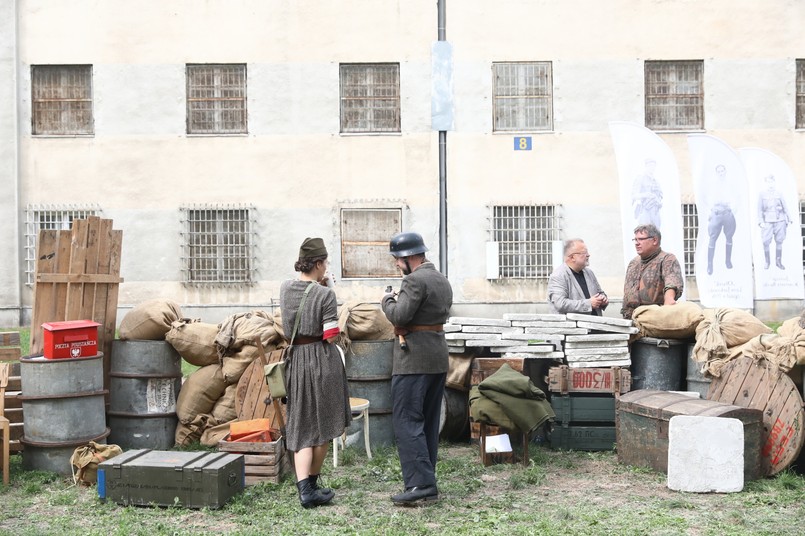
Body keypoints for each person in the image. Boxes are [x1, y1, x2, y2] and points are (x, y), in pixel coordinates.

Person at [381, 232, 453, 507]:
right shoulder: (441, 279)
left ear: (410, 257)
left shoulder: (413, 280)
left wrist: (387, 300)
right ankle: (427, 481)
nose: (398, 266)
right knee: (428, 422)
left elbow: (400, 315)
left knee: (407, 421)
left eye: (398, 261)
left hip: (413, 362)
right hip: (437, 358)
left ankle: (420, 484)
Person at [280, 237, 351, 509]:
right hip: (322, 361)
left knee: (300, 423)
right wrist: (330, 291)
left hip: (296, 360)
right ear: (319, 264)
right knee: (323, 426)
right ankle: (311, 485)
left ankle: (305, 490)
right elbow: (331, 335)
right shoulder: (325, 295)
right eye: (326, 263)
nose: (327, 267)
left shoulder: (286, 289)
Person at [621, 224, 684, 320]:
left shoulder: (667, 259)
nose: (637, 243)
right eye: (635, 239)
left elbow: (672, 283)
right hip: (630, 319)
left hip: (654, 318)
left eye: (641, 239)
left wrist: (669, 299)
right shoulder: (633, 263)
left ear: (655, 240)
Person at [547, 238, 608, 315]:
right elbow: (560, 303)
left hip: (595, 325)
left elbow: (600, 293)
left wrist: (603, 299)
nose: (588, 255)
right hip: (572, 326)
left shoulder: (589, 273)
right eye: (584, 252)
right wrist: (588, 304)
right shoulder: (558, 276)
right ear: (572, 257)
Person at [705, 164, 738, 275]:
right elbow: (708, 199)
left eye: (722, 171)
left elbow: (735, 197)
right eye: (718, 171)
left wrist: (732, 208)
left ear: (725, 172)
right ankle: (710, 264)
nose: (721, 173)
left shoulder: (730, 184)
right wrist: (712, 209)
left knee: (729, 237)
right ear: (716, 173)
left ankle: (728, 261)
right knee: (712, 237)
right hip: (716, 212)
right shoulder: (712, 185)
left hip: (727, 212)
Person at [757, 174, 792, 270]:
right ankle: (767, 262)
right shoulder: (762, 194)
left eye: (772, 181)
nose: (770, 184)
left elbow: (785, 206)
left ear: (774, 182)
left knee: (780, 241)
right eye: (768, 182)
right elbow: (759, 209)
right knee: (765, 241)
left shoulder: (779, 193)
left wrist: (789, 218)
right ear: (765, 183)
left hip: (780, 220)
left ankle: (778, 262)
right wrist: (761, 221)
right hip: (767, 220)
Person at [631, 158, 663, 230]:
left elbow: (661, 196)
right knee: (645, 232)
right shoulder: (640, 178)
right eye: (650, 166)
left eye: (653, 166)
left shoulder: (656, 181)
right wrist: (646, 195)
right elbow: (634, 195)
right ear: (646, 166)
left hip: (655, 212)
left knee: (656, 234)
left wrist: (658, 201)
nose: (652, 168)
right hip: (645, 210)